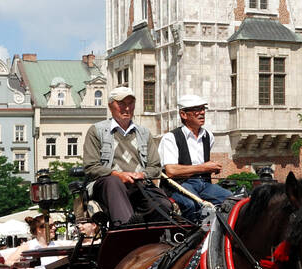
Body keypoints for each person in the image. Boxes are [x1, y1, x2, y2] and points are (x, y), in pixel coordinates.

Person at [82, 87, 165, 226]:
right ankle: (126, 229)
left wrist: (142, 175)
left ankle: (158, 240)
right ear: (110, 106)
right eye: (121, 103)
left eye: (130, 103)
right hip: (106, 186)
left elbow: (155, 167)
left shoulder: (144, 133)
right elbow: (91, 167)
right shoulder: (97, 130)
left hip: (139, 185)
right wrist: (117, 174)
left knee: (162, 204)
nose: (127, 108)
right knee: (113, 182)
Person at [158, 94, 232, 223]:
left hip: (205, 184)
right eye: (196, 110)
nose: (202, 113)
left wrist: (211, 168)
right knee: (194, 205)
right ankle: (191, 238)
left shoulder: (208, 136)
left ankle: (213, 235)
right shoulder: (171, 138)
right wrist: (204, 167)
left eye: (203, 109)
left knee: (231, 201)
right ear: (184, 115)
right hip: (179, 185)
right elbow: (171, 171)